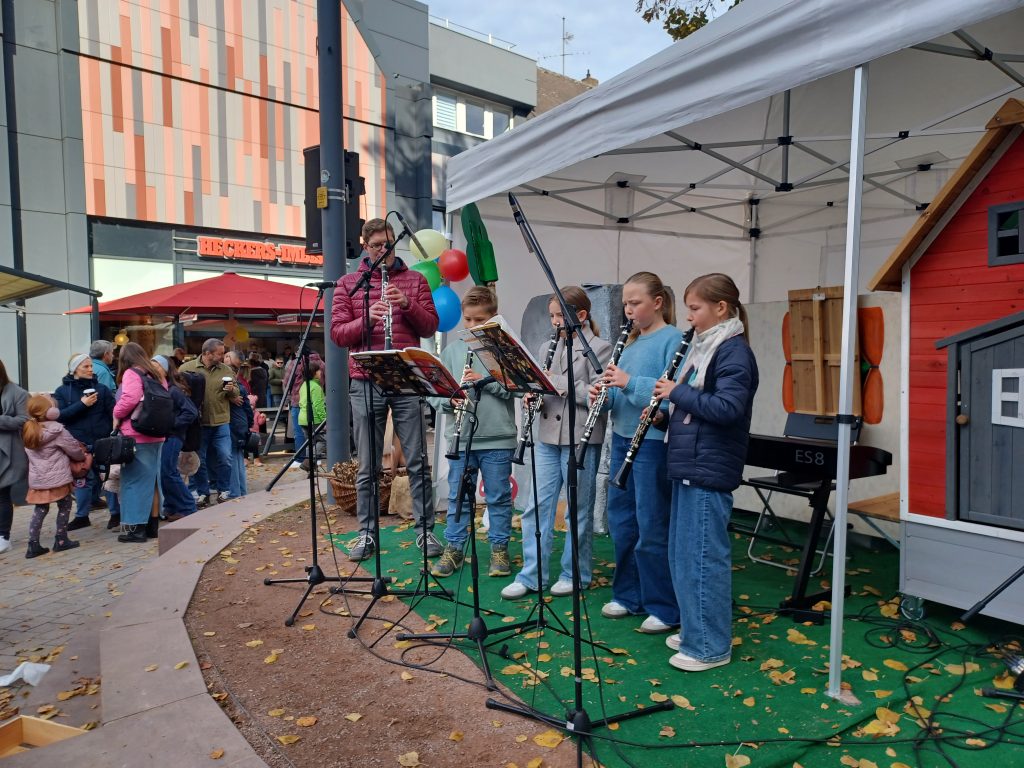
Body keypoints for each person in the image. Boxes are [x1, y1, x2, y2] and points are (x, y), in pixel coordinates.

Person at [653, 273, 758, 672]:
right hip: (688, 461)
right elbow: (695, 410)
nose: (690, 317)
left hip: (708, 467)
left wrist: (674, 393)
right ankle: (695, 628)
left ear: (721, 308)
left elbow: (727, 409)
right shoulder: (704, 350)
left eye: (695, 309)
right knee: (682, 555)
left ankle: (710, 645)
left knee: (702, 557)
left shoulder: (733, 352)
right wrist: (663, 417)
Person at [330, 218, 440, 561]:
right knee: (368, 464)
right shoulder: (349, 283)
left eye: (389, 244)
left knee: (418, 460)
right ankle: (366, 533)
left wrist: (407, 304)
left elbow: (431, 325)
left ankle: (425, 530)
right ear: (365, 245)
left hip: (405, 377)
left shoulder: (415, 280)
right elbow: (337, 334)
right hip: (365, 378)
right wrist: (368, 318)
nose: (385, 251)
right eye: (378, 245)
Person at [501, 286, 612, 600]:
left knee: (577, 510)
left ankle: (575, 574)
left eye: (559, 316)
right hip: (548, 436)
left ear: (580, 315)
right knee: (537, 506)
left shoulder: (599, 349)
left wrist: (555, 382)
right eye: (551, 316)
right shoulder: (545, 347)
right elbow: (542, 387)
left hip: (581, 439)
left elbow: (598, 398)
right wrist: (531, 397)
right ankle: (532, 575)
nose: (554, 323)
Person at [591, 272, 683, 633]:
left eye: (635, 303)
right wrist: (601, 394)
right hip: (623, 437)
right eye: (625, 304)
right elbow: (618, 397)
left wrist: (628, 382)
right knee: (622, 521)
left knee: (651, 523)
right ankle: (628, 595)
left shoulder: (672, 339)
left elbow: (670, 392)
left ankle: (662, 606)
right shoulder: (627, 346)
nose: (628, 310)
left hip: (652, 443)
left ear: (657, 303)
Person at [429, 287, 517, 578]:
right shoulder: (453, 351)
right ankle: (454, 547)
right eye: (468, 320)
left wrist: (485, 381)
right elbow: (433, 392)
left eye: (480, 320)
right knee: (457, 496)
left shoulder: (503, 350)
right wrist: (448, 399)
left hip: (497, 437)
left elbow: (515, 390)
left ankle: (499, 548)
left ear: (493, 317)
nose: (472, 326)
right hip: (461, 437)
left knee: (499, 496)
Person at [113, 342, 169, 543]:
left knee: (134, 482)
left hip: (136, 434)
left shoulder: (131, 373)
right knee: (151, 481)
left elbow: (130, 398)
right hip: (157, 433)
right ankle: (152, 526)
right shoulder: (157, 374)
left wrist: (116, 413)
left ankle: (135, 530)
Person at [53, 353, 115, 531]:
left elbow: (113, 412)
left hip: (102, 441)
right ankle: (82, 516)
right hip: (78, 443)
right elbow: (61, 416)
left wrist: (112, 433)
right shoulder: (62, 391)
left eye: (90, 366)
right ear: (74, 370)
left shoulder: (101, 389)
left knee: (108, 478)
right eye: (85, 367)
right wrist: (82, 404)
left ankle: (115, 515)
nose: (90, 370)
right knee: (82, 479)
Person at [22, 394, 87, 557]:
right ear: (50, 412)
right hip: (58, 478)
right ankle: (61, 539)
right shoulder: (57, 430)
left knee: (40, 509)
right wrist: (82, 457)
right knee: (65, 505)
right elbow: (73, 449)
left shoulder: (29, 429)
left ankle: (33, 544)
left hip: (38, 480)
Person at [179, 339, 238, 506]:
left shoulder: (226, 370)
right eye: (220, 353)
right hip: (198, 423)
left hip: (221, 420)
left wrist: (232, 390)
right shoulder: (186, 368)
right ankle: (202, 493)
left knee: (225, 456)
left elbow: (236, 394)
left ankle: (224, 490)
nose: (223, 356)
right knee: (200, 460)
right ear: (207, 353)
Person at [153, 356, 198, 520]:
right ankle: (171, 506)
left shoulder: (174, 390)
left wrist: (172, 423)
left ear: (165, 369)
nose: (152, 367)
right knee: (165, 473)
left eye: (156, 365)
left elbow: (191, 412)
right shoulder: (160, 387)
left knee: (168, 472)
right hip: (165, 436)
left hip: (173, 436)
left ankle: (187, 506)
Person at [0, 359, 28, 554]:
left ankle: (3, 536)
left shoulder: (16, 392)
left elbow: (24, 419)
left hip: (7, 450)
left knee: (2, 494)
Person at [284, 351, 324, 467]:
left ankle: (304, 459)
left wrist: (288, 399)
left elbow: (287, 382)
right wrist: (324, 420)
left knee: (303, 436)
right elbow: (318, 405)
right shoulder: (321, 364)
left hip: (300, 410)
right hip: (315, 416)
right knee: (321, 439)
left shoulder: (295, 365)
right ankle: (311, 460)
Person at [224, 351, 253, 498]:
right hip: (241, 424)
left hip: (233, 425)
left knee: (233, 459)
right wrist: (249, 424)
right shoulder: (241, 386)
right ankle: (241, 490)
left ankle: (235, 492)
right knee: (238, 458)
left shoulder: (234, 388)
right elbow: (247, 408)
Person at [297, 365, 326, 470]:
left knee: (310, 442)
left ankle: (311, 469)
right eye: (318, 370)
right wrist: (324, 420)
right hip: (314, 418)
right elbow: (318, 405)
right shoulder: (316, 387)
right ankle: (308, 462)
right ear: (314, 373)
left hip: (302, 418)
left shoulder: (304, 385)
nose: (321, 372)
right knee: (324, 441)